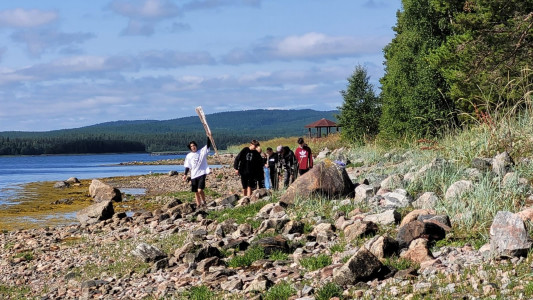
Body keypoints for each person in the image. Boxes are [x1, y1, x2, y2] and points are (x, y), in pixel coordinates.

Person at [183, 138, 211, 208]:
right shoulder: (189, 156)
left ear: (196, 146)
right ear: (190, 148)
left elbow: (208, 145)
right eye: (191, 146)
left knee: (200, 190)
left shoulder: (201, 152)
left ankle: (204, 202)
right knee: (196, 191)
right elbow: (187, 166)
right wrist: (185, 174)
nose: (193, 147)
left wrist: (208, 137)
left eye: (194, 145)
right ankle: (198, 205)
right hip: (193, 175)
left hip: (202, 173)